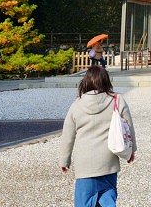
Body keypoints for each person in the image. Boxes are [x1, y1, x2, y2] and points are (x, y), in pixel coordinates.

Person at [59, 65, 137, 207]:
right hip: (108, 160)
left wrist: (64, 160)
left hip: (85, 163)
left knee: (85, 201)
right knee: (108, 196)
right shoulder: (117, 100)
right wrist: (131, 151)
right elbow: (129, 128)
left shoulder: (77, 105)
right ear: (106, 81)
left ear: (86, 82)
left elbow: (68, 136)